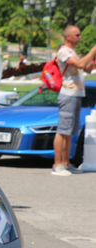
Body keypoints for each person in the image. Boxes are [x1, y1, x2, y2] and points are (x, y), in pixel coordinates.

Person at [51, 26, 96, 176]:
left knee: (70, 131)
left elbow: (87, 69)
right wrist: (93, 50)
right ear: (68, 37)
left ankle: (66, 163)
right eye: (77, 35)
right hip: (68, 93)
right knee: (63, 130)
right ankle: (57, 165)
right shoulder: (64, 51)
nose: (80, 37)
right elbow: (80, 65)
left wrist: (93, 59)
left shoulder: (73, 52)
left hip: (76, 94)